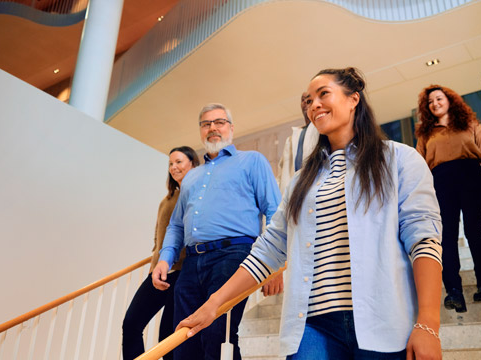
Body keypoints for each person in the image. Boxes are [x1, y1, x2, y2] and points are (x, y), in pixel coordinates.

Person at [176, 68, 443, 360]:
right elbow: (266, 251)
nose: (313, 105)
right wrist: (214, 305)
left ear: (354, 99)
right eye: (308, 100)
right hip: (313, 326)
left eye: (323, 94)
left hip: (383, 320)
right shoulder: (302, 181)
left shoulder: (399, 159)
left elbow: (424, 239)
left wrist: (428, 322)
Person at [151, 103, 282, 360]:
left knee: (218, 338)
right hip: (191, 263)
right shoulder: (190, 177)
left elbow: (275, 212)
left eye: (219, 122)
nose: (213, 128)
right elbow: (176, 225)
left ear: (231, 128)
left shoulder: (252, 161)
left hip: (234, 256)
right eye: (206, 124)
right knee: (183, 340)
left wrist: (274, 266)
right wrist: (165, 259)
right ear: (201, 131)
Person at [415, 85, 481, 313]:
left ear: (450, 100)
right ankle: (454, 292)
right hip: (441, 184)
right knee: (446, 238)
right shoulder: (425, 133)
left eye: (439, 99)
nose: (435, 104)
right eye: (430, 102)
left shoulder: (470, 124)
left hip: (472, 178)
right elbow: (418, 166)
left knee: (475, 233)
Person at [122, 146, 200, 360]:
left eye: (179, 162)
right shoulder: (166, 201)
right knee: (131, 323)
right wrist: (156, 261)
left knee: (168, 336)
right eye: (171, 164)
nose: (174, 167)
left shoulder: (198, 197)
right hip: (159, 273)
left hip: (183, 274)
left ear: (192, 163)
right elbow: (159, 236)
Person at [276, 92, 319, 194]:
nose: (305, 102)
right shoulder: (290, 139)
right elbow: (281, 175)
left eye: (308, 100)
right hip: (291, 197)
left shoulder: (322, 131)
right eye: (302, 100)